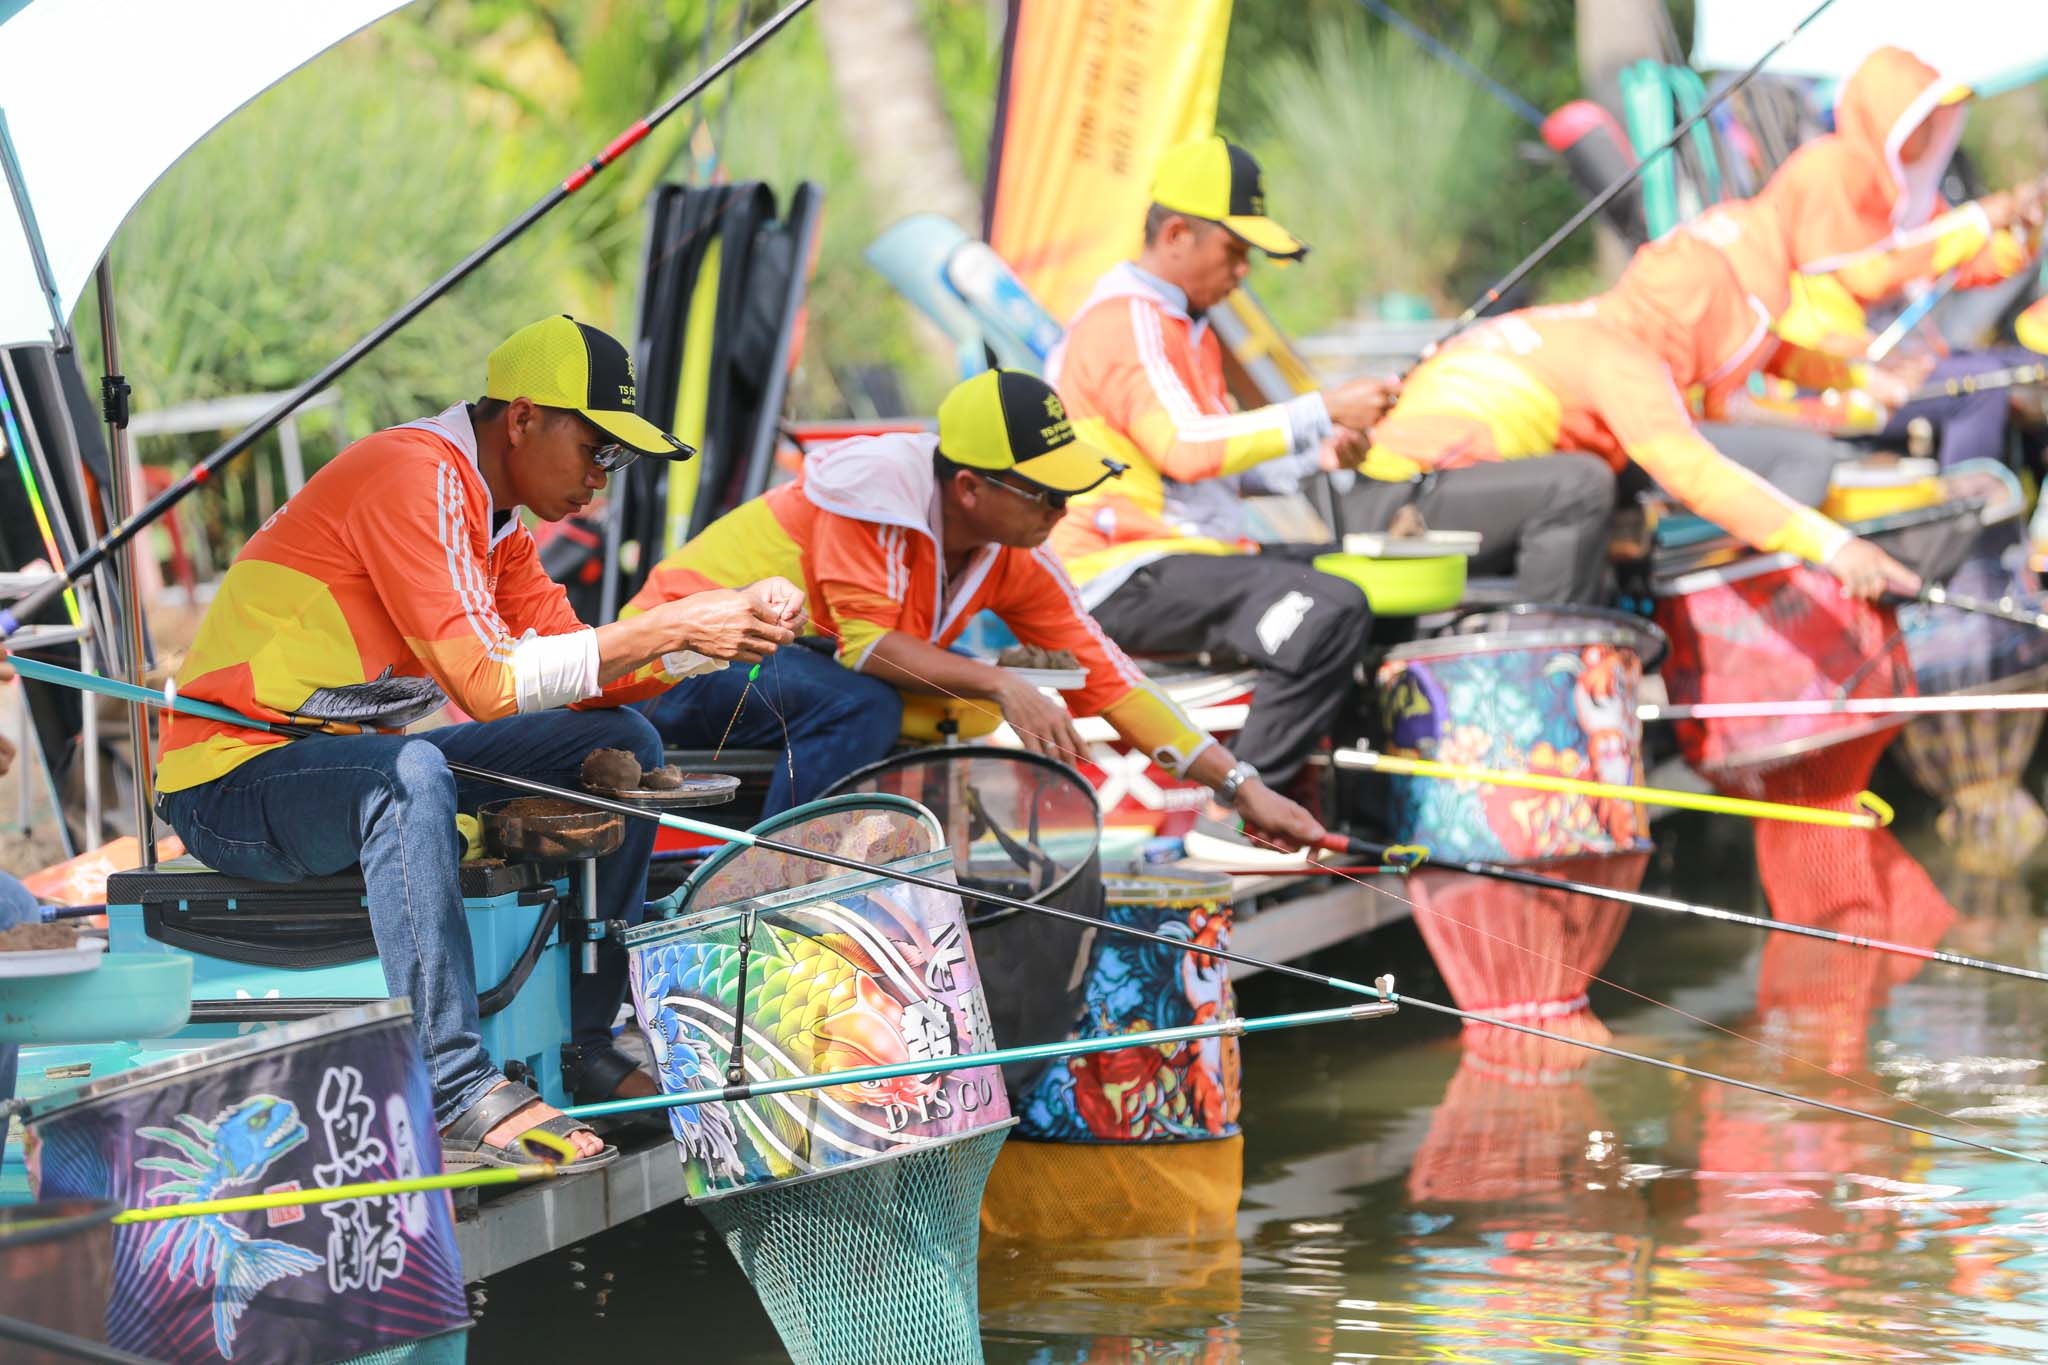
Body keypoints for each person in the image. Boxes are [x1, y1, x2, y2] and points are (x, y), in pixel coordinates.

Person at [152, 315, 806, 1169]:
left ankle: (583, 1040)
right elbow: (490, 682)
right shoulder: (412, 475)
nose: (602, 479)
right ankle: (454, 1083)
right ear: (524, 418)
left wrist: (707, 638)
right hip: (231, 781)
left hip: (344, 765)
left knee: (625, 739)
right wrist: (674, 622)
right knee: (407, 773)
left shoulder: (499, 525)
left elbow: (584, 676)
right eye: (597, 450)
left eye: (617, 459)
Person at [628, 368, 1325, 848]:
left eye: (1069, 493)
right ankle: (776, 888)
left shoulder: (1018, 554)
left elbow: (1113, 680)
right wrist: (1003, 683)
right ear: (968, 488)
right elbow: (868, 648)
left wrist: (1241, 786)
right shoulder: (873, 494)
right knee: (867, 705)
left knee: (952, 703)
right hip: (671, 669)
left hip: (782, 671)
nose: (1063, 511)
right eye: (1046, 493)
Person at [1046, 135, 1402, 807]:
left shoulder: (1187, 326)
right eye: (1235, 251)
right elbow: (1188, 448)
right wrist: (1321, 411)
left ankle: (1355, 801)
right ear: (1176, 234)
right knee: (1332, 608)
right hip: (1116, 575)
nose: (1243, 272)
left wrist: (1318, 455)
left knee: (1377, 584)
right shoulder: (1127, 321)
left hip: (1179, 559)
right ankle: (1242, 813)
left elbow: (1207, 466)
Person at [1349, 224, 1925, 604]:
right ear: (1701, 325)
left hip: (1385, 486)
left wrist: (1856, 377)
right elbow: (1695, 473)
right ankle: (1558, 650)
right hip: (1405, 504)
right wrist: (1836, 547)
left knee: (1606, 472)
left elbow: (1768, 361)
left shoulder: (1596, 320)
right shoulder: (1623, 360)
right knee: (1581, 484)